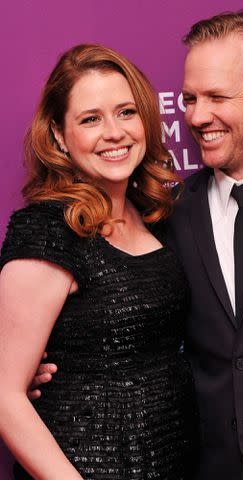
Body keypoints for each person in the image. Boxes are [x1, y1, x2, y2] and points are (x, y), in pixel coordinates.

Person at [31, 9, 243, 480]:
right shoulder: (169, 211)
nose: (197, 117)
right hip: (203, 466)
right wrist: (45, 365)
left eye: (217, 97)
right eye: (189, 99)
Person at [0, 44, 197, 479]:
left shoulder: (158, 218)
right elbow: (5, 396)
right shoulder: (47, 230)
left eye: (126, 112)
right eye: (90, 119)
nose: (115, 132)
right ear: (57, 135)